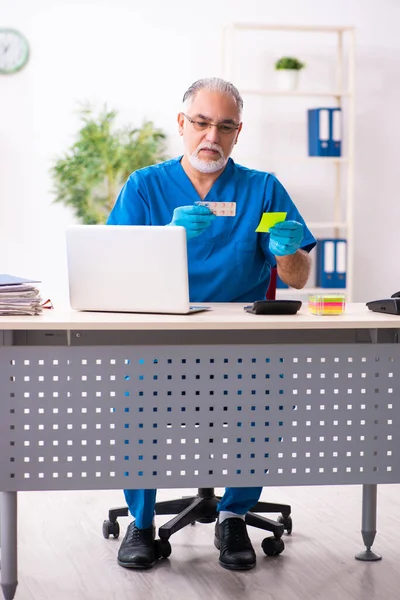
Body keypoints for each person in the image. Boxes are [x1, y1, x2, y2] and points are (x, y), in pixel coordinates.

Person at [107, 77, 317, 571]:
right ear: (182, 124)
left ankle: (233, 514)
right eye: (201, 123)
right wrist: (165, 235)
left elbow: (299, 278)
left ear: (238, 132)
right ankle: (141, 523)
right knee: (135, 401)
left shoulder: (262, 189)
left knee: (263, 398)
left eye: (224, 126)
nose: (211, 136)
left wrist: (287, 252)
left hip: (240, 343)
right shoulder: (146, 187)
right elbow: (114, 271)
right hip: (158, 341)